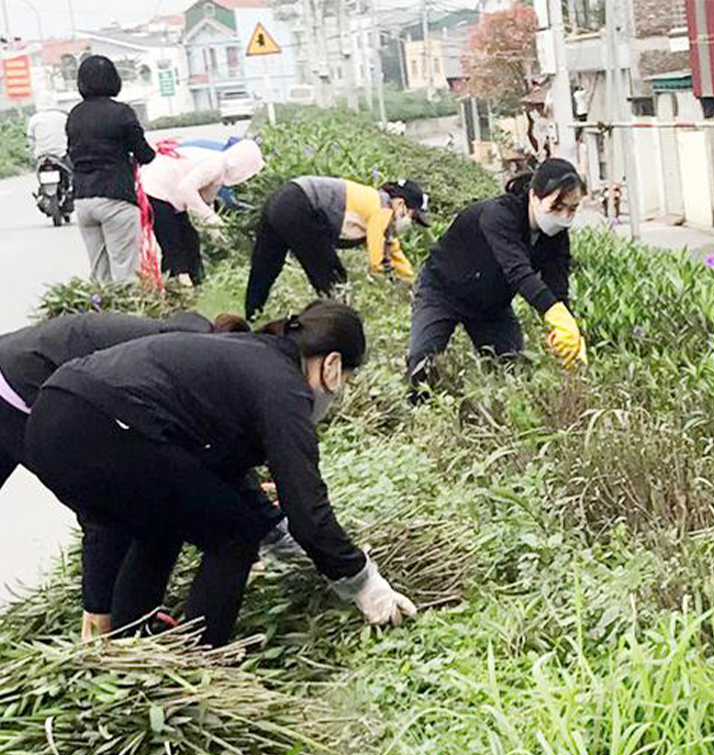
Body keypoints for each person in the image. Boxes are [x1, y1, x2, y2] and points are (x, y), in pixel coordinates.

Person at [24, 300, 416, 647]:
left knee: (161, 524)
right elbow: (307, 509)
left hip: (53, 416)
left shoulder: (249, 356)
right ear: (332, 367)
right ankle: (197, 659)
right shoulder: (284, 387)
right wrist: (364, 584)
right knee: (234, 536)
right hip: (103, 423)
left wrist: (281, 541)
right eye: (345, 380)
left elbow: (218, 476)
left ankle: (130, 652)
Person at [0, 310, 249, 640]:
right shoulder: (181, 367)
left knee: (140, 494)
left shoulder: (196, 348)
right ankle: (105, 625)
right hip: (17, 389)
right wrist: (98, 606)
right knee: (112, 497)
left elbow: (206, 458)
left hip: (30, 366)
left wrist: (265, 519)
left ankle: (124, 617)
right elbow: (99, 505)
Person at [406, 158, 586, 388]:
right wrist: (554, 313)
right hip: (443, 293)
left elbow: (557, 288)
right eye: (557, 207)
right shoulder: (498, 215)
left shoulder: (557, 237)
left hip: (491, 307)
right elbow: (518, 272)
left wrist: (568, 330)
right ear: (534, 195)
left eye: (572, 209)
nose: (563, 216)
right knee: (422, 365)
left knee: (513, 374)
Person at [244, 177, 428, 319]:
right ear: (401, 204)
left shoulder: (374, 201)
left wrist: (412, 283)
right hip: (301, 205)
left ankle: (251, 316)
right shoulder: (383, 211)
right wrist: (392, 284)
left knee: (266, 265)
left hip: (284, 197)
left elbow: (394, 252)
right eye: (412, 216)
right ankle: (339, 328)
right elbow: (376, 260)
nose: (410, 222)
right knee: (334, 281)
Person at [67, 55, 156, 284]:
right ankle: (125, 319)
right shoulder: (121, 112)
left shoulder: (74, 115)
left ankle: (101, 316)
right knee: (125, 273)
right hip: (116, 197)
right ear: (114, 80)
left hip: (83, 200)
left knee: (100, 275)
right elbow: (144, 154)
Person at [140, 139, 265, 285]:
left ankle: (196, 282)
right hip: (156, 189)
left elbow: (206, 201)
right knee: (173, 243)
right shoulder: (214, 165)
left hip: (172, 196)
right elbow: (186, 189)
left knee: (190, 240)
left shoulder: (219, 171)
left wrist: (213, 228)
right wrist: (209, 217)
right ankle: (178, 287)